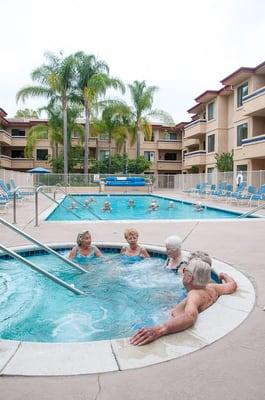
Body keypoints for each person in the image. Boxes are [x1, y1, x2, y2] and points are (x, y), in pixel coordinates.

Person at [130, 258, 237, 346]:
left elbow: (190, 316)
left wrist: (159, 330)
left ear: (189, 278)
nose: (182, 273)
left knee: (134, 325)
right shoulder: (212, 287)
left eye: (184, 271)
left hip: (168, 319)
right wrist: (224, 276)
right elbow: (232, 286)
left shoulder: (194, 294)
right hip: (171, 313)